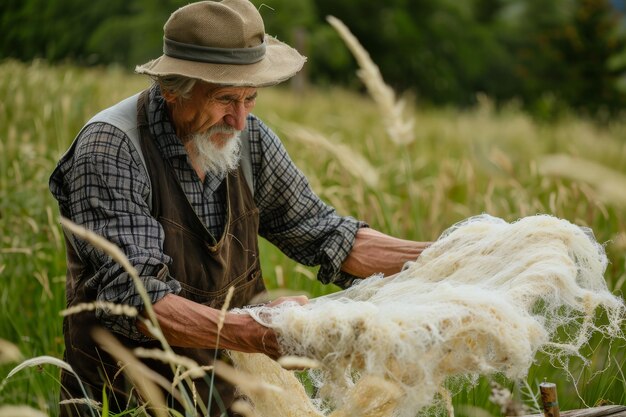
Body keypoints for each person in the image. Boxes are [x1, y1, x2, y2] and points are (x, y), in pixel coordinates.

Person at [49, 0, 429, 415]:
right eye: (225, 98)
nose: (240, 120)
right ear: (172, 89)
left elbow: (323, 233)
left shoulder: (251, 141)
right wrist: (262, 332)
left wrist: (464, 253)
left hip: (232, 401)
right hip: (126, 401)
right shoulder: (112, 148)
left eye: (251, 98)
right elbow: (138, 300)